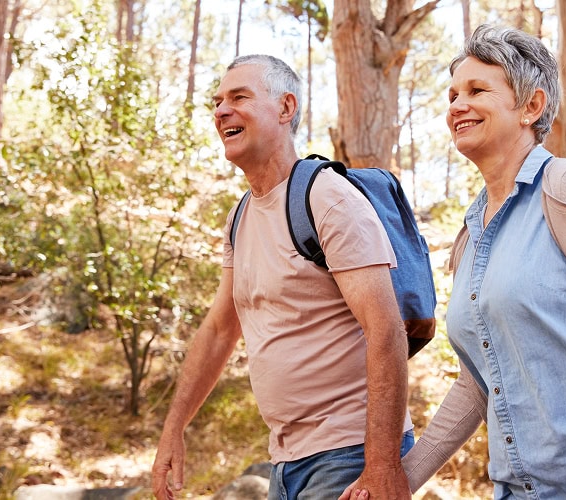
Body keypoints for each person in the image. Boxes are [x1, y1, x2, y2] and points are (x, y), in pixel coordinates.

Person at [343, 23, 566, 500]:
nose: (456, 105)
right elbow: (478, 382)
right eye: (452, 95)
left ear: (531, 107)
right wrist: (398, 477)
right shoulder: (470, 234)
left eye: (476, 90)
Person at [151, 54, 413, 500]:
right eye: (217, 102)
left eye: (239, 97)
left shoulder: (328, 199)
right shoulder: (241, 215)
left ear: (285, 108)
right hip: (287, 462)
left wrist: (382, 465)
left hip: (349, 457)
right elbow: (219, 329)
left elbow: (386, 330)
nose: (221, 111)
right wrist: (173, 429)